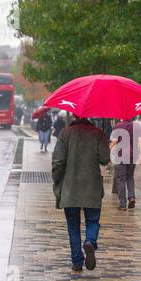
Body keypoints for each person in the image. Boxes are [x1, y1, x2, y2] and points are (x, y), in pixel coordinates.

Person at [52, 116, 110, 272]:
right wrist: (103, 139)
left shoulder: (65, 133)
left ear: (74, 116)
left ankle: (77, 262)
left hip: (70, 189)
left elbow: (58, 162)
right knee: (92, 221)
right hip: (92, 188)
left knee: (73, 226)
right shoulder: (98, 133)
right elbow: (105, 159)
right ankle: (90, 241)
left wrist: (57, 182)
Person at [110, 119, 141, 211]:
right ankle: (132, 197)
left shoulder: (118, 126)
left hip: (121, 155)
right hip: (133, 155)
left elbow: (114, 141)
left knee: (121, 179)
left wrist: (108, 150)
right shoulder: (137, 126)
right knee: (130, 177)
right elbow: (140, 141)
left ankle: (122, 204)